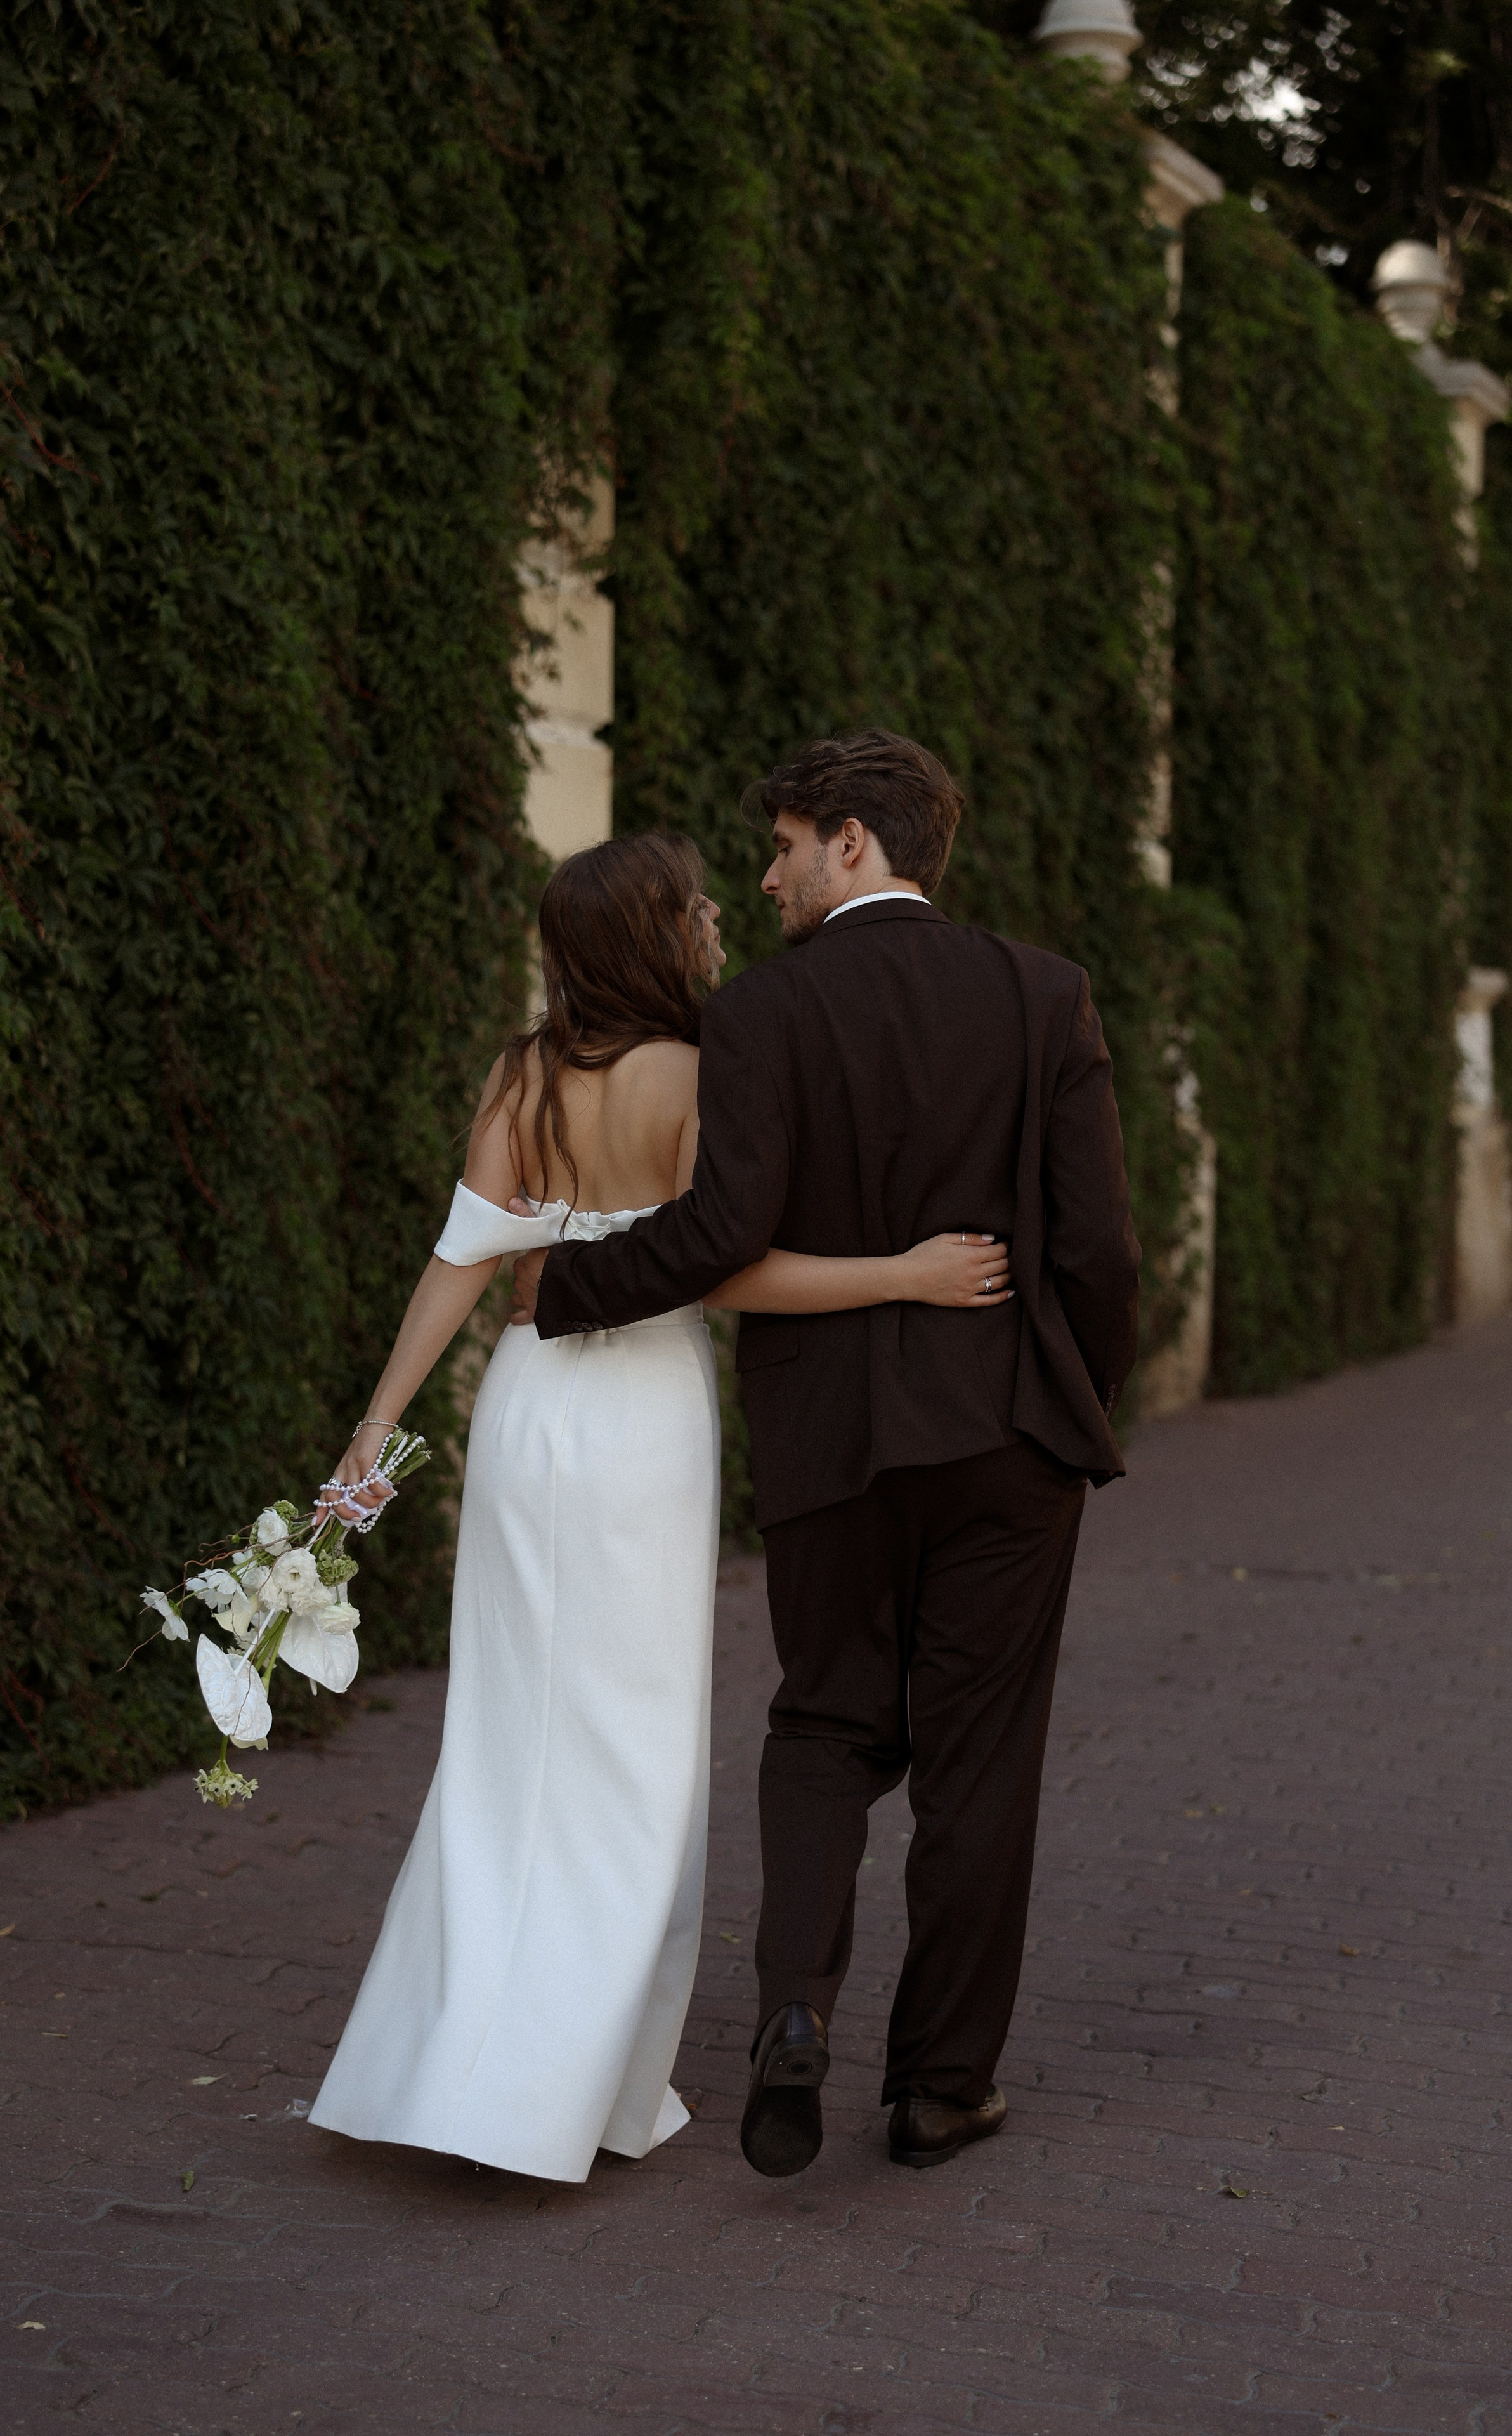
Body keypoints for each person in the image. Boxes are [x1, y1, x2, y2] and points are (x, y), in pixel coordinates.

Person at [306, 830, 1013, 2184]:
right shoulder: (701, 1071)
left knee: (507, 1739)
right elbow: (726, 1272)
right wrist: (905, 1275)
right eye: (690, 906)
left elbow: (461, 1261)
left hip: (525, 1413)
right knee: (635, 1751)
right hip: (638, 1424)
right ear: (647, 935)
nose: (711, 919)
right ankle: (567, 2089)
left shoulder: (520, 1074)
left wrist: (373, 1437)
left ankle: (448, 2059)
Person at [510, 731, 1140, 2178]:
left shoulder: (763, 1015)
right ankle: (939, 2088)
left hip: (831, 1442)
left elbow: (723, 1234)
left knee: (821, 1728)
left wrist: (568, 1292)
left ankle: (791, 2014)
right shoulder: (1045, 995)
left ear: (851, 843)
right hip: (1010, 1439)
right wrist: (1067, 1398)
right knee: (980, 1765)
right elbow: (1097, 1249)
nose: (767, 872)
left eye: (784, 844)